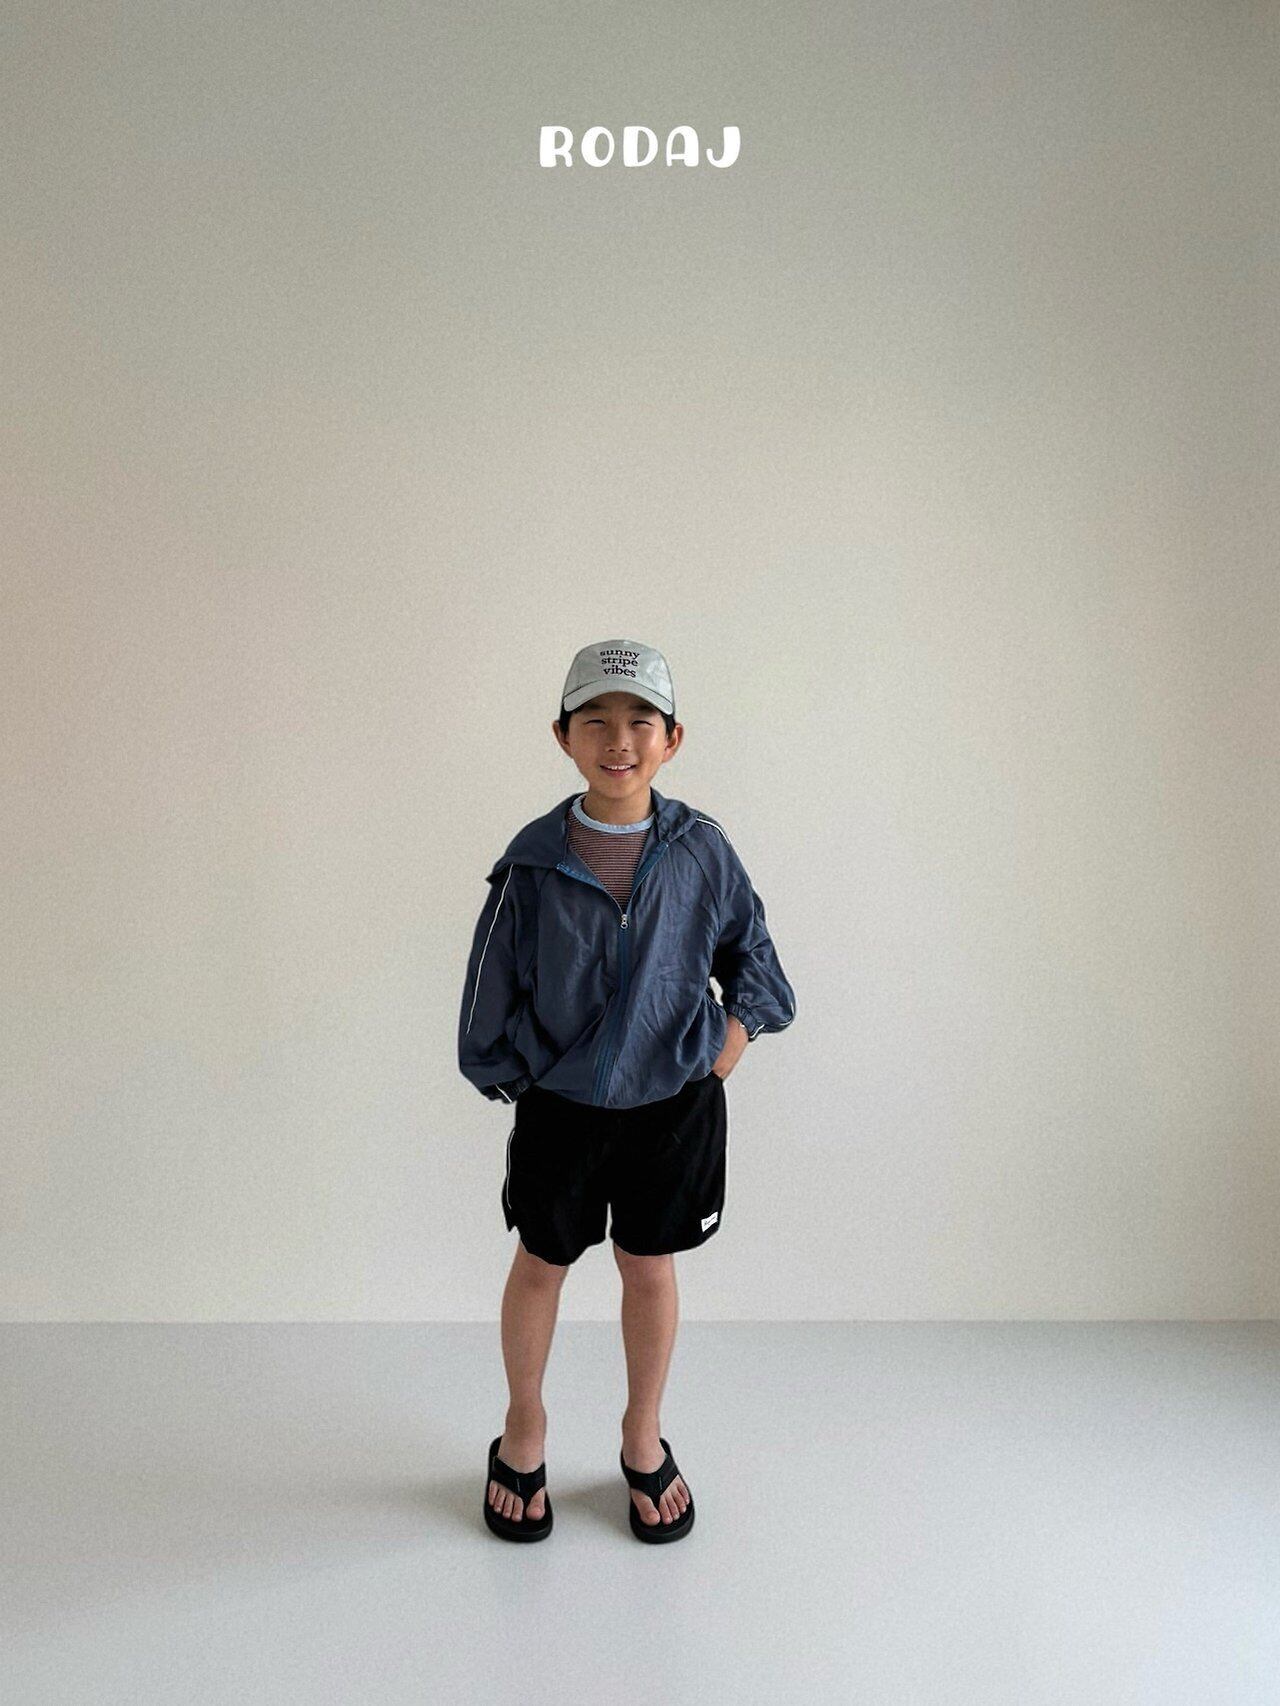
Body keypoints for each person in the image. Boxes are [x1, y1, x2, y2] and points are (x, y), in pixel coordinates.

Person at [458, 638, 796, 1543]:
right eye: (596, 721)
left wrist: (722, 1052)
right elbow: (490, 981)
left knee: (649, 1266)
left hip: (673, 1110)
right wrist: (516, 1076)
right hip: (561, 1111)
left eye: (640, 721)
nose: (619, 740)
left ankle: (641, 1435)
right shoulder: (532, 862)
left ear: (672, 739)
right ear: (563, 736)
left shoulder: (701, 850)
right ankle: (524, 1426)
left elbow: (757, 960)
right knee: (541, 1263)